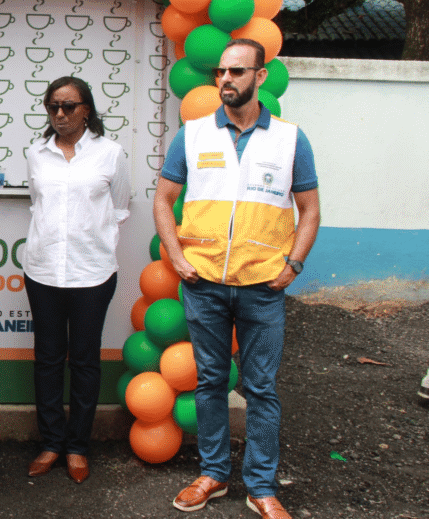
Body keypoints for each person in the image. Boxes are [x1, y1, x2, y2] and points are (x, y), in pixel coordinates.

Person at [155, 39, 320, 519]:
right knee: (209, 382)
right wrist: (176, 256)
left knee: (261, 387)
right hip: (204, 282)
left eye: (237, 71)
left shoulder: (290, 139)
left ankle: (261, 486)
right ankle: (213, 474)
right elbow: (163, 200)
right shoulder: (192, 134)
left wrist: (294, 265)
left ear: (260, 77)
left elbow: (309, 210)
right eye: (221, 72)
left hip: (263, 286)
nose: (225, 79)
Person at [23, 77, 130, 483]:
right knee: (47, 360)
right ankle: (52, 442)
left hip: (92, 274)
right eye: (53, 106)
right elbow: (37, 204)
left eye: (69, 106)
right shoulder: (36, 154)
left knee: (85, 362)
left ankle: (78, 447)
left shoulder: (111, 153)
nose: (60, 114)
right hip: (44, 272)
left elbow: (119, 209)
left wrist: (93, 243)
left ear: (87, 109)